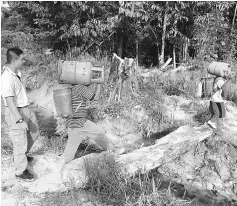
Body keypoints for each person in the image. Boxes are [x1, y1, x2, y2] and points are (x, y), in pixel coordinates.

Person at [61, 83, 125, 167]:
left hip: (71, 123)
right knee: (99, 133)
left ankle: (65, 165)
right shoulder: (79, 87)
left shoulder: (70, 88)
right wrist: (98, 85)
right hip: (80, 122)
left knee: (72, 144)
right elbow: (94, 97)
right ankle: (113, 151)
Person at [1, 48, 39, 182]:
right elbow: (9, 101)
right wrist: (19, 120)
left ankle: (20, 156)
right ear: (13, 60)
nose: (24, 61)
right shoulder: (6, 78)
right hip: (15, 112)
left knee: (34, 133)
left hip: (25, 108)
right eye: (21, 59)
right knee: (19, 142)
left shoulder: (16, 72)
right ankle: (20, 171)